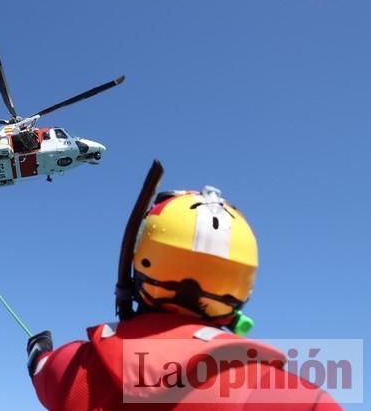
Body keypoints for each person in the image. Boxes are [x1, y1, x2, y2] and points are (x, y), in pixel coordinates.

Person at [26, 161, 342, 410]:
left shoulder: (75, 368)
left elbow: (41, 368)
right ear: (242, 287)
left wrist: (40, 347)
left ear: (141, 263)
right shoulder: (296, 398)